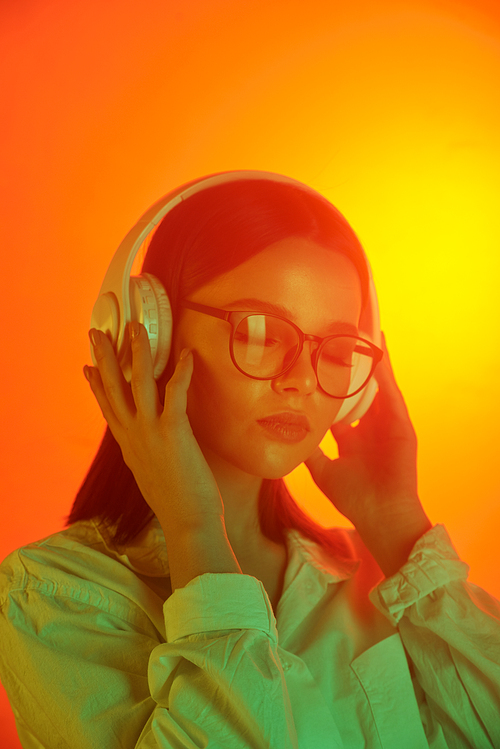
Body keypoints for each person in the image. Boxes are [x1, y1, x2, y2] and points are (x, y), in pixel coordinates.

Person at [0, 172, 499, 749]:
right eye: (261, 332)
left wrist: (398, 526)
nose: (302, 380)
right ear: (147, 334)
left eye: (335, 348)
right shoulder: (55, 597)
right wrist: (195, 530)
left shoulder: (379, 580)